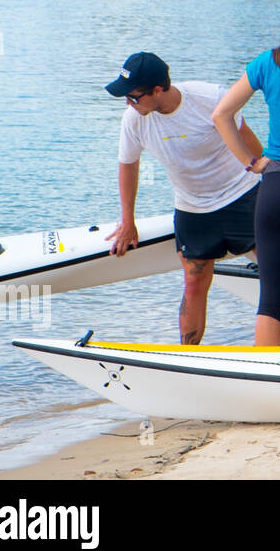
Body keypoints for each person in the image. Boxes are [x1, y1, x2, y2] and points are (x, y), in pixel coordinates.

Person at [106, 52, 263, 344]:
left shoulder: (210, 98)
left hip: (243, 195)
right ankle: (188, 353)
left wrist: (278, 185)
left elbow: (249, 142)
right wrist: (128, 222)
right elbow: (128, 166)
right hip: (193, 207)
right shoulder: (134, 120)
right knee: (194, 282)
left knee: (277, 273)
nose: (128, 103)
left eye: (133, 97)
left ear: (157, 90)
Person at [213, 38, 280, 346]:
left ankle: (269, 370)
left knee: (271, 298)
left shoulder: (268, 62)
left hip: (277, 183)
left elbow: (221, 115)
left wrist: (251, 162)